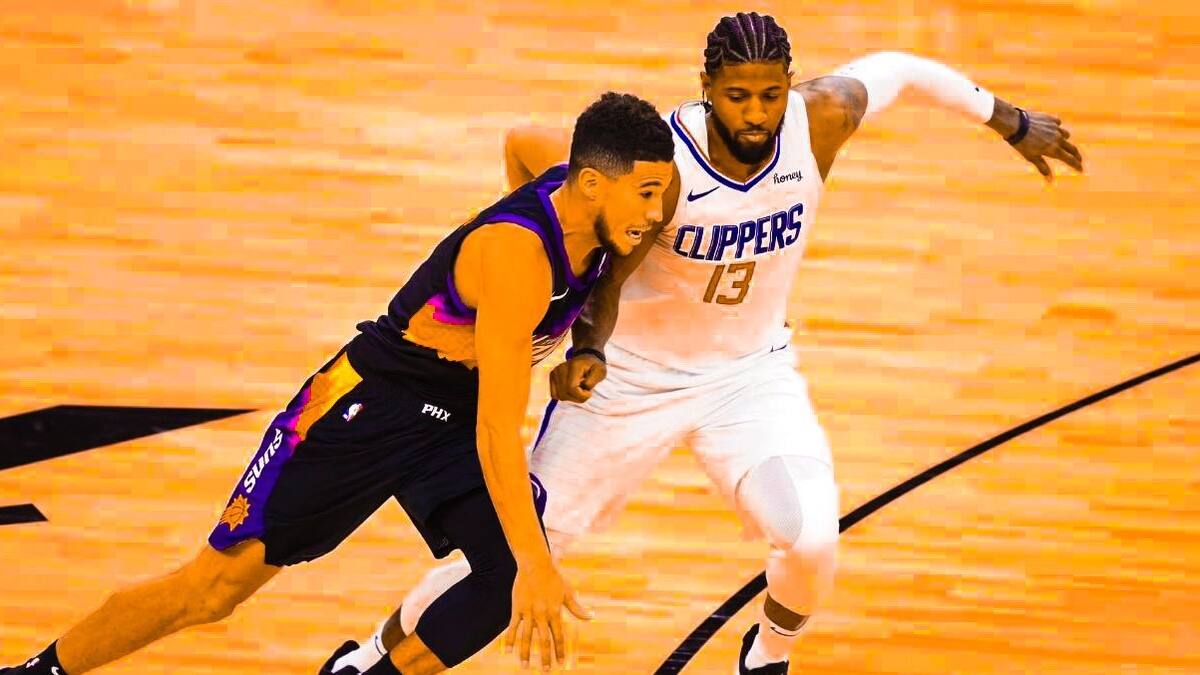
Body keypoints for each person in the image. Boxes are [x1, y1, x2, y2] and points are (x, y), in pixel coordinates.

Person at [323, 12, 1085, 675]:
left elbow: (901, 68)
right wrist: (578, 330)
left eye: (770, 94)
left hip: (750, 375)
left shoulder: (821, 119)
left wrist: (1012, 122)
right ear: (706, 88)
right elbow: (538, 164)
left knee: (813, 540)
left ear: (789, 85)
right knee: (512, 558)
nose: (755, 113)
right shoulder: (663, 167)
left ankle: (766, 655)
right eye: (736, 95)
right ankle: (372, 652)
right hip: (629, 378)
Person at [2, 91, 675, 675]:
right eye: (645, 193)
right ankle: (42, 668)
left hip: (450, 413)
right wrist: (537, 565)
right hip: (370, 405)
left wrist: (585, 339)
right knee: (213, 590)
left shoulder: (574, 181)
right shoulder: (518, 259)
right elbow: (498, 429)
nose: (656, 213)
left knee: (504, 579)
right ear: (591, 183)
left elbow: (520, 140)